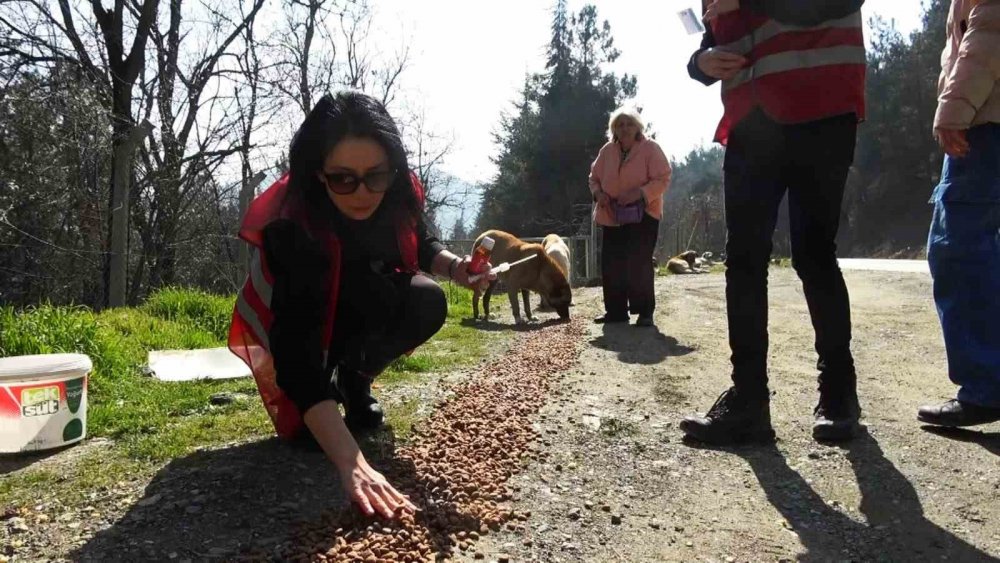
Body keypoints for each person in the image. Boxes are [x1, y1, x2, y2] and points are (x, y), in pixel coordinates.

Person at [228, 91, 492, 519]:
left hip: (358, 295)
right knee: (310, 435)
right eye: (343, 178)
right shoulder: (293, 226)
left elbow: (420, 241)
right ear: (318, 174)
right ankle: (329, 390)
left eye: (376, 175)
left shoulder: (397, 190)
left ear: (392, 168)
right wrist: (351, 463)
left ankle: (354, 379)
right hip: (295, 319)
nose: (363, 191)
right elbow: (295, 343)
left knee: (426, 299)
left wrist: (458, 267)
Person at [679, 0, 868, 444]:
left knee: (814, 253)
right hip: (751, 120)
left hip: (822, 109)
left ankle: (839, 394)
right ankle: (748, 400)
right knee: (743, 260)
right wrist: (700, 62)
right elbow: (715, 41)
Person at [917, 0, 1000, 427]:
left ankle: (987, 386)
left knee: (958, 250)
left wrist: (954, 107)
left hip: (988, 121)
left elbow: (987, 34)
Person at [588, 107, 671, 327]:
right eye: (620, 124)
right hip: (612, 215)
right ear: (613, 128)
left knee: (638, 262)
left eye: (629, 124)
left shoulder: (650, 149)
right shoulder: (607, 151)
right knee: (612, 263)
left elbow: (663, 177)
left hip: (643, 215)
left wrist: (640, 193)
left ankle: (644, 312)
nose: (624, 128)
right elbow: (593, 178)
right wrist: (599, 194)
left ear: (638, 127)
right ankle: (616, 312)